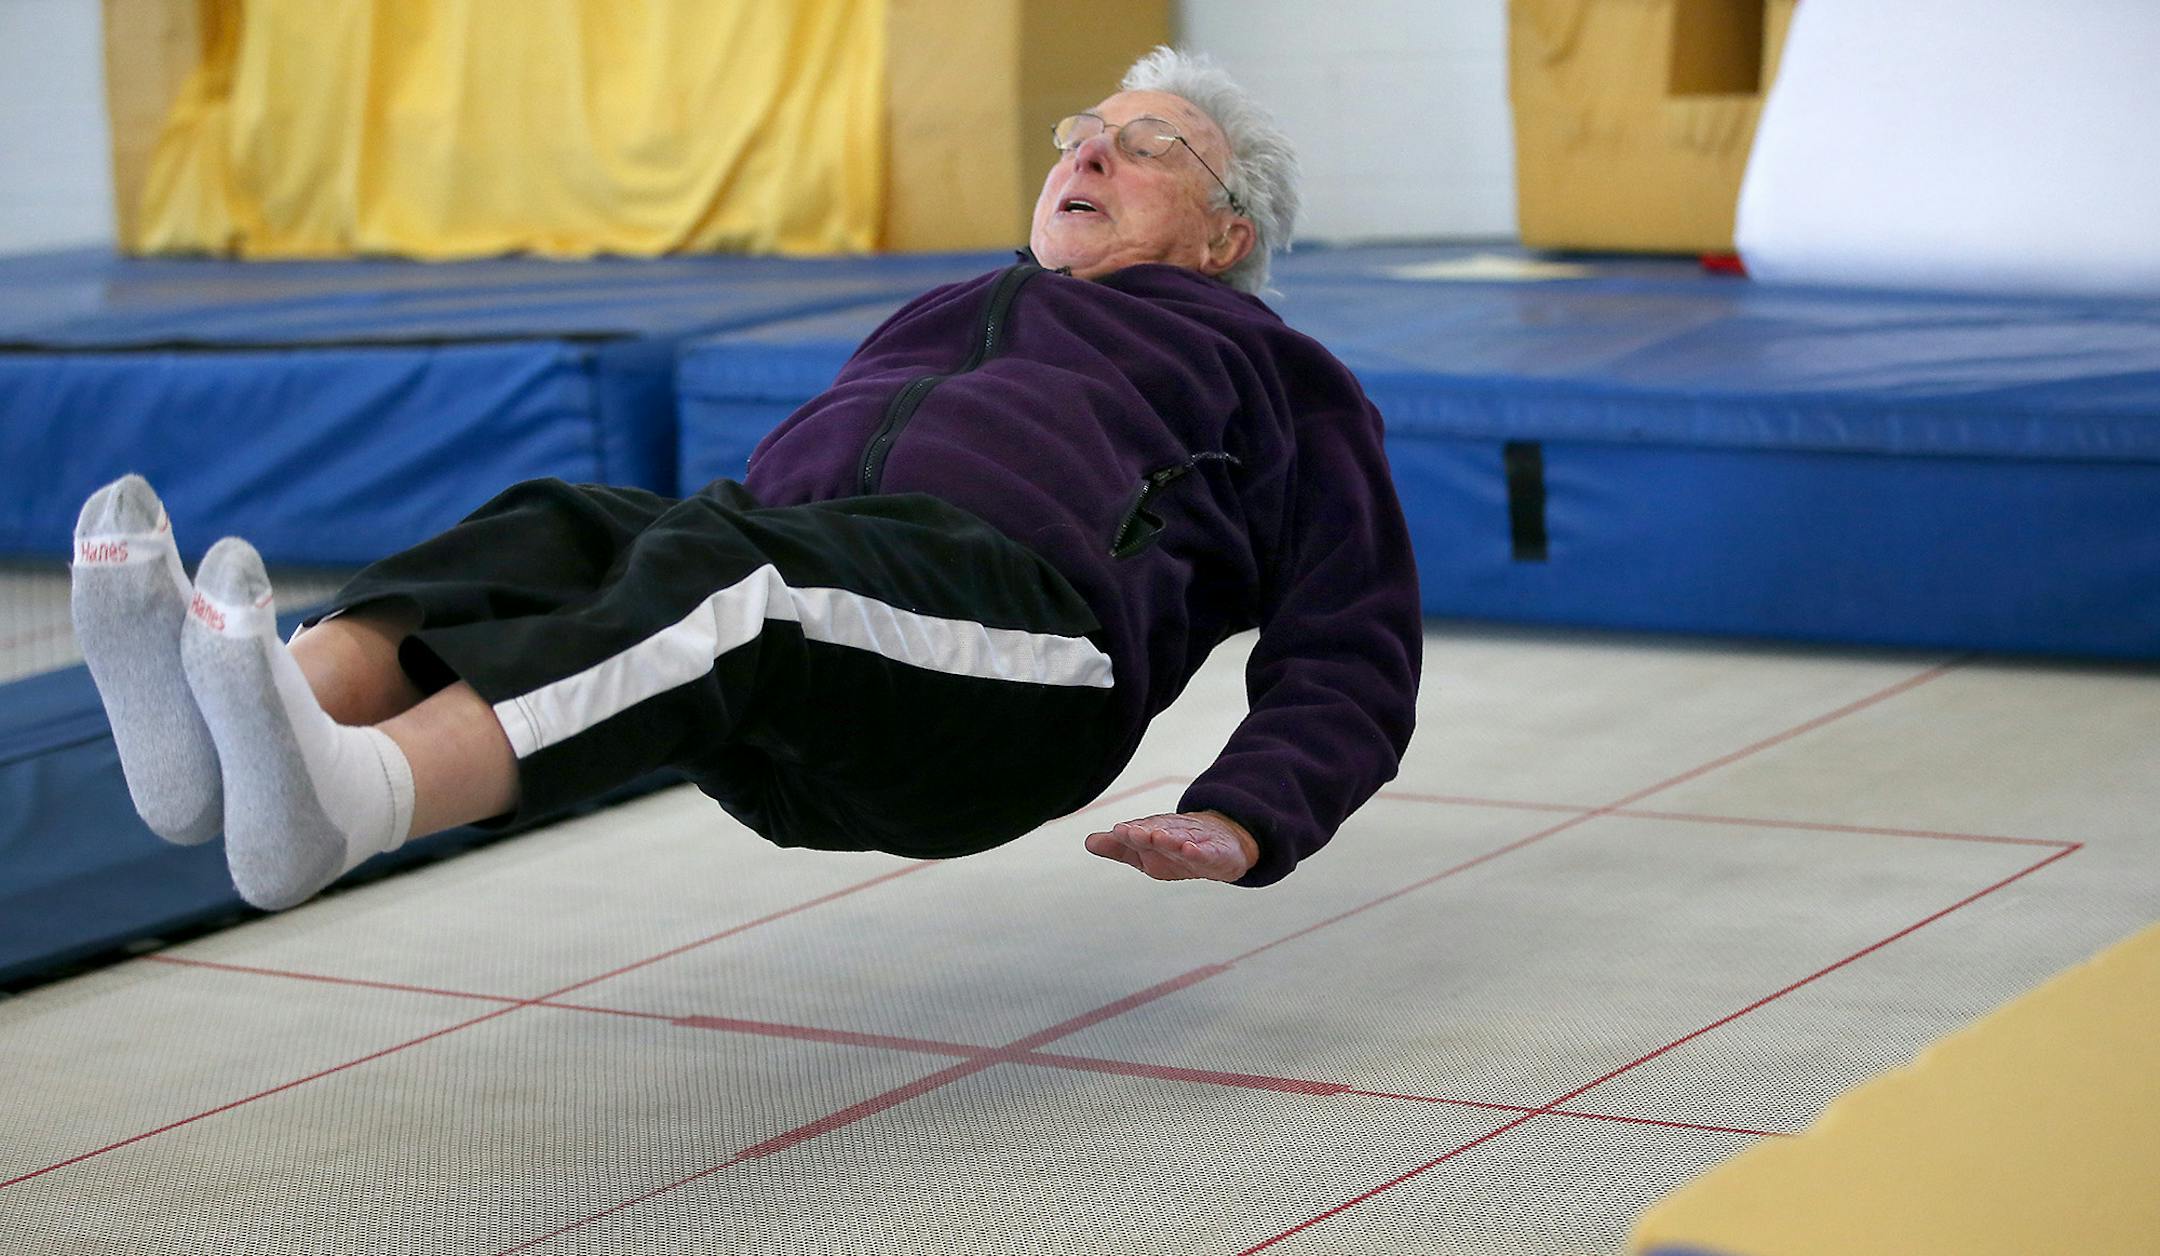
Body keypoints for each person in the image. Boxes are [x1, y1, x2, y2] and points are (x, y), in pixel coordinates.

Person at [68, 47, 1422, 912]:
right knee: (563, 523)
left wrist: (1250, 813)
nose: (1087, 154)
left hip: (1025, 662)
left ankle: (360, 804)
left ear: (1223, 235)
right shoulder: (955, 306)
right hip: (819, 659)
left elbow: (1352, 642)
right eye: (1083, 132)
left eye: (1149, 147)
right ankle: (219, 750)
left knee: (743, 583)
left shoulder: (1275, 374)